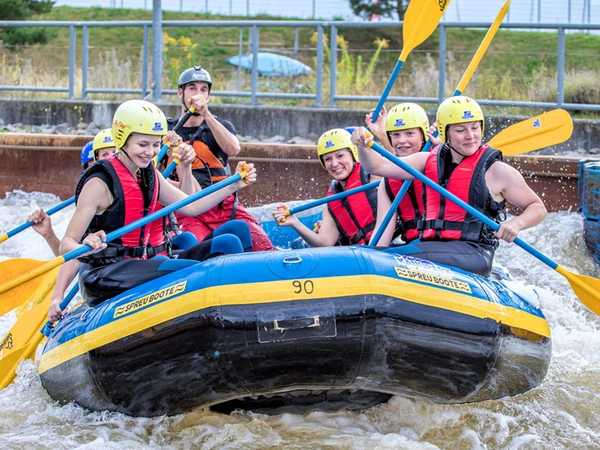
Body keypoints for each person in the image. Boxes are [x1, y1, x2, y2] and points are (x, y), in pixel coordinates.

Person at [48, 99, 257, 321]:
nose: (150, 152)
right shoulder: (99, 184)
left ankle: (244, 316)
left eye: (156, 145)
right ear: (122, 139)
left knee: (228, 245)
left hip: (141, 262)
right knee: (194, 272)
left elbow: (192, 206)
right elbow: (66, 244)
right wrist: (86, 247)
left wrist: (233, 185)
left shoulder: (150, 174)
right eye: (142, 144)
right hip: (105, 273)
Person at [350, 95, 547, 277]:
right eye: (461, 130)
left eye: (475, 127)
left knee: (393, 258)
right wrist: (362, 146)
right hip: (433, 247)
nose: (470, 135)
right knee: (383, 254)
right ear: (446, 134)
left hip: (473, 254)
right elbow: (378, 165)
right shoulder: (426, 161)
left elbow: (537, 207)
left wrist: (516, 224)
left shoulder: (497, 171)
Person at [166, 65, 276, 252]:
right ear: (180, 93)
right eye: (192, 88)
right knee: (194, 249)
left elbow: (233, 149)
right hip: (188, 210)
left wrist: (206, 114)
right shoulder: (167, 130)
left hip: (224, 207)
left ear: (208, 96)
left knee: (265, 248)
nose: (197, 94)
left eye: (203, 89)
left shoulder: (220, 126)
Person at [272, 128, 379, 247]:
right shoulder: (331, 204)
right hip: (364, 253)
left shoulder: (373, 176)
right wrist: (294, 222)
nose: (334, 163)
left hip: (390, 247)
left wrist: (380, 134)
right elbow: (325, 243)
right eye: (328, 159)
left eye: (340, 156)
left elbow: (398, 171)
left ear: (353, 154)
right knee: (298, 244)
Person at [365, 103, 438, 247]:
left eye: (409, 133)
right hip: (414, 248)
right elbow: (382, 233)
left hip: (445, 246)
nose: (402, 140)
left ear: (424, 137)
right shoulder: (387, 183)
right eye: (396, 135)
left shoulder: (440, 163)